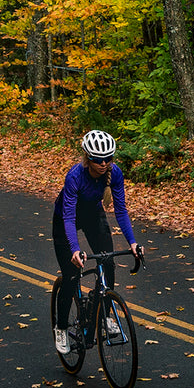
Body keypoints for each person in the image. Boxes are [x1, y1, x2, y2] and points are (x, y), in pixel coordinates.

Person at [51, 130, 143, 354]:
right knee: (72, 276)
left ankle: (105, 316)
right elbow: (69, 216)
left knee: (108, 262)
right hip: (66, 218)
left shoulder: (115, 173)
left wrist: (132, 243)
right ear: (87, 157)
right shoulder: (75, 176)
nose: (103, 164)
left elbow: (120, 210)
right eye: (97, 159)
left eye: (108, 158)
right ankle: (61, 328)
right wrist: (75, 249)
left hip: (93, 215)